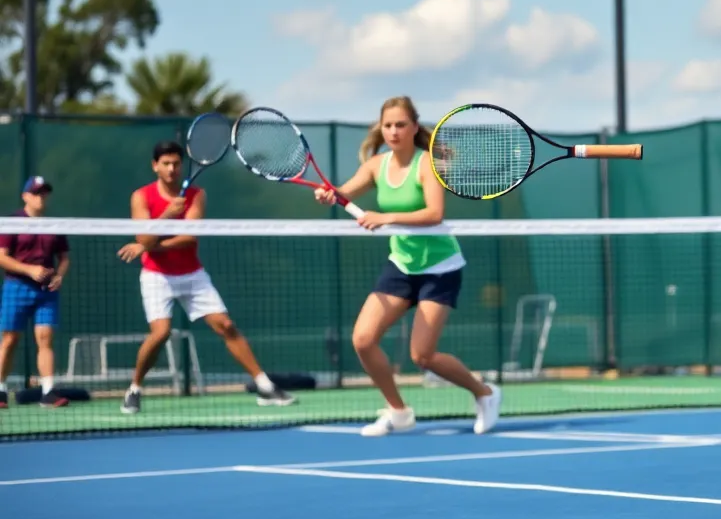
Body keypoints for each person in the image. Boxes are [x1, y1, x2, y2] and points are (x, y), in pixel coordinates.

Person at [314, 96, 501, 438]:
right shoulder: (375, 166)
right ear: (380, 129)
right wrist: (331, 194)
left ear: (414, 127)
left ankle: (484, 393)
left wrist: (387, 217)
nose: (394, 131)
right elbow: (343, 193)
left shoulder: (427, 163)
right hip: (401, 265)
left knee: (422, 355)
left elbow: (434, 214)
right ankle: (398, 412)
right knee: (363, 339)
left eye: (401, 124)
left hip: (440, 267)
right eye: (387, 125)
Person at [116, 140, 296, 413]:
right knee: (161, 333)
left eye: (176, 163)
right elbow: (143, 236)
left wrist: (148, 244)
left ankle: (265, 386)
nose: (172, 169)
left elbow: (189, 237)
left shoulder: (197, 194)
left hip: (192, 274)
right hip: (156, 276)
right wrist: (166, 216)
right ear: (155, 166)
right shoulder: (140, 196)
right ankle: (135, 389)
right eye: (166, 164)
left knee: (225, 325)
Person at [0, 176, 70, 409]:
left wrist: (59, 275)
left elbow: (64, 258)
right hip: (16, 287)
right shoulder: (13, 222)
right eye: (36, 193)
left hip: (45, 291)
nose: (41, 197)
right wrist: (29, 269)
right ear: (25, 196)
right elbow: (2, 257)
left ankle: (48, 392)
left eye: (44, 193)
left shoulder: (53, 225)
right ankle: (0, 389)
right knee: (10, 339)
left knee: (45, 338)